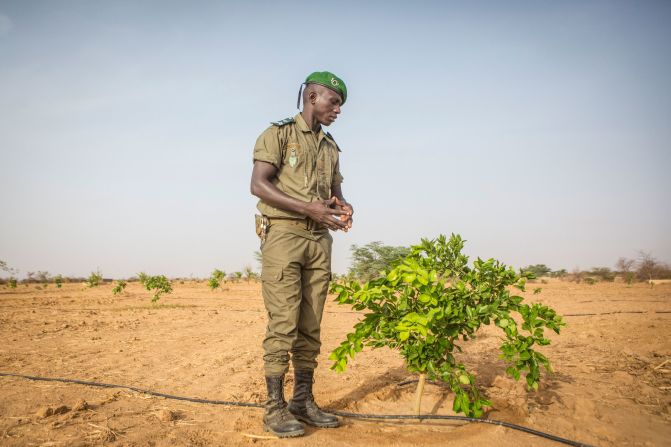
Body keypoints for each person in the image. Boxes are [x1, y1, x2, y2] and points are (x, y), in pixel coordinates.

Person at [250, 71, 353, 438]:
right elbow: (258, 185)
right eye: (334, 102)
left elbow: (336, 192)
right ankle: (274, 408)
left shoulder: (330, 146)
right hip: (284, 237)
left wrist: (342, 208)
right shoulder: (278, 134)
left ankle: (302, 401)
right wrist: (308, 208)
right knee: (283, 323)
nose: (338, 110)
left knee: (310, 325)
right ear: (312, 97)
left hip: (318, 241)